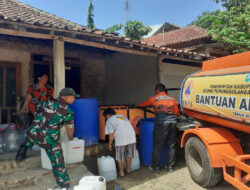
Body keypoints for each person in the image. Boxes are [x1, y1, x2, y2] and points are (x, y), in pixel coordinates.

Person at [15, 88, 77, 190]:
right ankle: (63, 185)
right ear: (67, 97)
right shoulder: (68, 111)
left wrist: (39, 121)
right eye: (73, 97)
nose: (74, 100)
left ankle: (22, 150)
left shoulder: (46, 101)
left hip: (33, 134)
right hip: (50, 140)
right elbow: (70, 129)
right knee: (58, 162)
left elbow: (37, 109)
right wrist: (70, 139)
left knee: (29, 136)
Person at [138, 83, 179, 173]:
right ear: (164, 90)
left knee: (157, 146)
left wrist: (138, 105)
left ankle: (155, 168)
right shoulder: (172, 99)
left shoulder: (154, 99)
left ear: (157, 90)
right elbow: (176, 112)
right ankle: (170, 167)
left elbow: (143, 105)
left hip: (161, 124)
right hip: (173, 123)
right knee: (171, 146)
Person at [103, 108, 136, 177]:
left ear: (108, 115)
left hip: (121, 137)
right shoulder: (122, 116)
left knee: (120, 156)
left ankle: (121, 173)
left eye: (105, 117)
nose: (105, 119)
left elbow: (111, 134)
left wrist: (110, 144)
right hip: (132, 136)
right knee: (129, 154)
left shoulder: (109, 120)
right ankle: (128, 169)